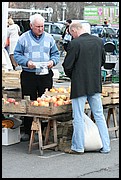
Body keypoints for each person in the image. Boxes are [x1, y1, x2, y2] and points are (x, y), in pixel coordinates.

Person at [62, 22, 111, 154]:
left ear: (74, 31)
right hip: (95, 83)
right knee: (99, 115)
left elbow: (67, 65)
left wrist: (73, 75)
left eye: (71, 33)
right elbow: (103, 61)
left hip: (79, 85)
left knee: (78, 116)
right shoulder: (99, 42)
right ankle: (106, 145)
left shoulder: (75, 44)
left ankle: (78, 147)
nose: (71, 36)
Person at [14, 13, 60, 141]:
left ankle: (45, 130)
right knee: (29, 101)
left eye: (42, 26)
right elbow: (17, 54)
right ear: (31, 26)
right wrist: (26, 62)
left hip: (45, 74)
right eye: (38, 26)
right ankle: (29, 131)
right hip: (29, 74)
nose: (40, 29)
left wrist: (53, 62)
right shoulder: (23, 38)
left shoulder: (49, 38)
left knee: (45, 101)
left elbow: (55, 54)